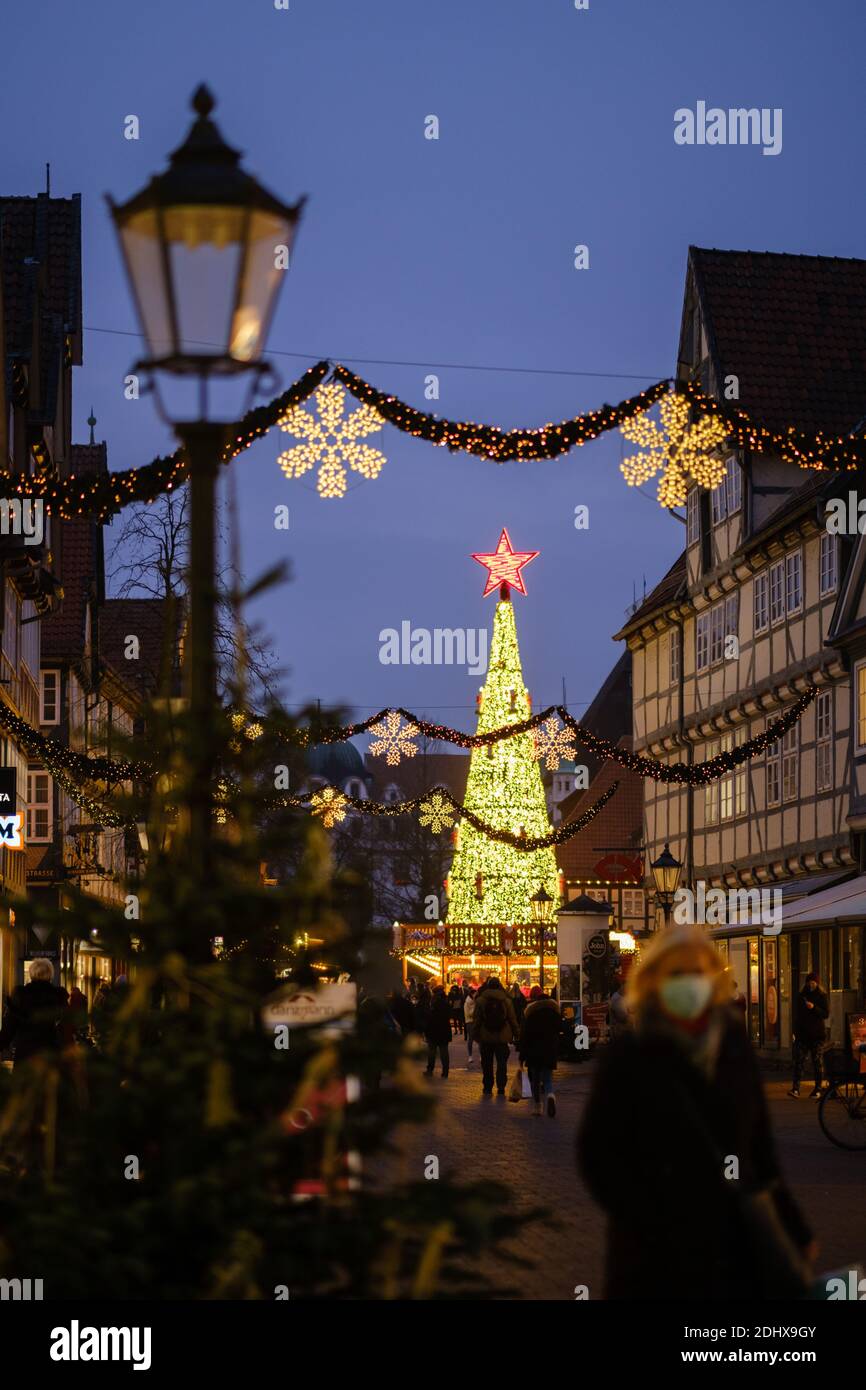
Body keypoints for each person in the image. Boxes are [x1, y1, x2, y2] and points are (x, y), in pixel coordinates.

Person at [577, 924, 815, 1300]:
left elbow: (760, 1148)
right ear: (654, 981)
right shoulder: (630, 1056)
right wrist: (648, 1215)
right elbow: (597, 1154)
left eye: (698, 973)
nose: (690, 983)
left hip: (730, 1243)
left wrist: (794, 1227)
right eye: (677, 975)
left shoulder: (734, 1047)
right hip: (652, 1257)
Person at [0, 959, 70, 1067]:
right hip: (50, 1056)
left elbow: (9, 1028)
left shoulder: (21, 996)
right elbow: (67, 1027)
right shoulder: (57, 997)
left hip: (25, 1055)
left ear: (31, 974)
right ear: (50, 975)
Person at [472, 975, 519, 1096]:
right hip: (502, 1037)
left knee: (487, 1064)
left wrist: (475, 1035)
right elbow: (512, 1019)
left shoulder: (481, 1000)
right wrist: (516, 1033)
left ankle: (487, 1087)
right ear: (499, 986)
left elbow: (476, 1019)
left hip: (486, 1037)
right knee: (502, 1064)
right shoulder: (506, 1001)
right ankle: (501, 1087)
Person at [518, 985, 561, 1116]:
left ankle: (537, 1106)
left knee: (535, 1080)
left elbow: (525, 1035)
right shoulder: (554, 1011)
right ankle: (550, 1095)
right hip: (550, 1049)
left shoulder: (530, 1013)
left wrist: (522, 1054)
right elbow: (559, 1029)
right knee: (547, 1078)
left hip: (534, 1051)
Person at [789, 972, 829, 1098]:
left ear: (817, 983)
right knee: (799, 1061)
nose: (811, 984)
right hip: (802, 1034)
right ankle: (795, 1089)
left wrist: (814, 1007)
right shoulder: (801, 996)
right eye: (809, 982)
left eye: (813, 982)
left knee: (817, 1061)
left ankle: (818, 1088)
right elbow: (797, 1015)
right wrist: (794, 1031)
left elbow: (825, 1014)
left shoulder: (822, 996)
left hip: (817, 1035)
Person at [424, 986, 452, 1078]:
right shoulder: (446, 1002)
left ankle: (430, 1069)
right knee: (444, 1051)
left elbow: (428, 1017)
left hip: (433, 1030)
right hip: (444, 1030)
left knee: (432, 1051)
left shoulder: (432, 1003)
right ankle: (445, 1072)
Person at [464, 987, 476, 1067]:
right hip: (470, 1022)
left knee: (479, 1039)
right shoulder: (468, 1002)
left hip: (475, 1021)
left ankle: (480, 1056)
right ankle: (470, 1056)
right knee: (470, 1039)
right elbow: (468, 1014)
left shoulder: (474, 1002)